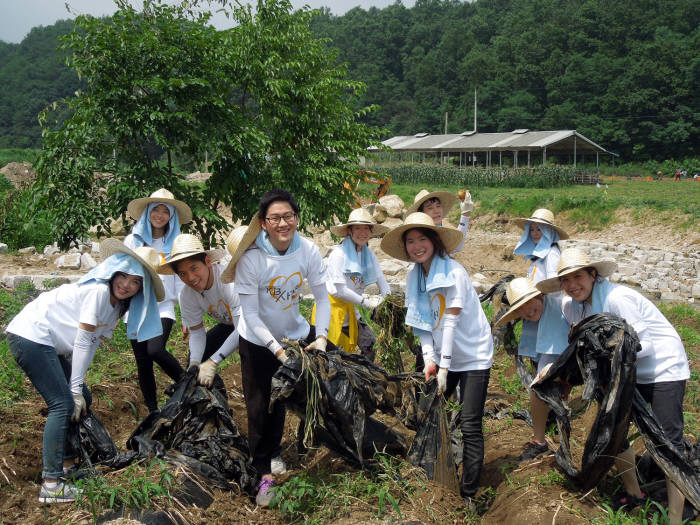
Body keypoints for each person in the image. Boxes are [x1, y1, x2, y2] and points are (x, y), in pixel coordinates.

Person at [537, 248, 690, 524]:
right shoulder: (571, 306)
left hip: (663, 369)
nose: (573, 285)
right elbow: (581, 347)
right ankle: (634, 494)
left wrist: (606, 362)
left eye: (578, 277)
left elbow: (646, 346)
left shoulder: (617, 299)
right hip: (625, 373)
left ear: (593, 275)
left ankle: (675, 517)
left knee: (669, 442)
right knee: (613, 431)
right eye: (566, 280)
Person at [6, 239, 163, 504]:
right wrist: (73, 390)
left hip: (49, 343)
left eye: (135, 282)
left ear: (141, 289)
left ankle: (68, 465)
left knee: (82, 400)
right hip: (31, 335)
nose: (126, 285)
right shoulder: (100, 292)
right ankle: (52, 484)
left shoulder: (116, 307)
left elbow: (91, 344)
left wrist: (79, 389)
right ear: (114, 273)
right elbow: (81, 340)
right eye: (123, 277)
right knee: (62, 404)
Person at [380, 212, 493, 507]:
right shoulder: (415, 277)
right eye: (410, 241)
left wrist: (444, 367)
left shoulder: (453, 272)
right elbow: (422, 324)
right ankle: (438, 475)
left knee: (470, 424)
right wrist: (430, 360)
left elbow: (451, 322)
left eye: (422, 239)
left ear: (435, 241)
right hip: (444, 355)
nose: (417, 246)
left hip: (473, 355)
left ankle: (468, 493)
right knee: (433, 412)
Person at [232, 189, 331, 507]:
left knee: (317, 391)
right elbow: (250, 314)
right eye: (275, 218)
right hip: (258, 343)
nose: (283, 223)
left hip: (295, 336)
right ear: (263, 223)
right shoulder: (252, 260)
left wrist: (322, 336)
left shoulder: (309, 251)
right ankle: (262, 474)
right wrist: (276, 350)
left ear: (296, 219)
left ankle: (297, 447)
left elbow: (321, 298)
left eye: (288, 216)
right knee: (262, 408)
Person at [124, 188, 191, 414]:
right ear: (148, 212)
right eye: (156, 210)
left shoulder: (175, 244)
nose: (160, 215)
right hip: (136, 306)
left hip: (163, 306)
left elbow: (182, 280)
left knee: (155, 350)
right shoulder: (133, 240)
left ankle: (186, 383)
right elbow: (121, 273)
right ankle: (152, 410)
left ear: (171, 216)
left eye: (165, 211)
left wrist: (187, 316)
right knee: (143, 363)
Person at [493, 278, 570, 461]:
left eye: (529, 302)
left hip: (570, 353)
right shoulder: (538, 315)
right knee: (541, 389)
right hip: (554, 356)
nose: (527, 310)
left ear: (540, 296)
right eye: (520, 307)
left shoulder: (563, 308)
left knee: (538, 389)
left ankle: (543, 442)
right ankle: (544, 437)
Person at [157, 233, 240, 389]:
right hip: (228, 323)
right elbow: (196, 333)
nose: (190, 278)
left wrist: (214, 361)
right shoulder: (187, 295)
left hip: (255, 323)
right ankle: (211, 401)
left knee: (255, 362)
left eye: (194, 268)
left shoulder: (227, 282)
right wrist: (195, 364)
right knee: (194, 363)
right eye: (182, 274)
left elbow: (242, 328)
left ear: (207, 262)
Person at [319, 207, 390, 359]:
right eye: (358, 228)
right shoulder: (339, 254)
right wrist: (367, 303)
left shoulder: (369, 255)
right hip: (332, 310)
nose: (362, 232)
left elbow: (381, 279)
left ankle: (365, 377)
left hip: (350, 310)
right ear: (349, 231)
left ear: (371, 232)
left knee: (369, 343)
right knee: (331, 355)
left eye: (366, 228)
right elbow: (340, 290)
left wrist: (389, 301)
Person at [407, 188, 473, 253]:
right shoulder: (420, 235)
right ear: (421, 213)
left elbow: (456, 247)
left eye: (438, 206)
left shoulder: (439, 228)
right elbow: (455, 248)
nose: (436, 211)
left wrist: (465, 214)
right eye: (430, 208)